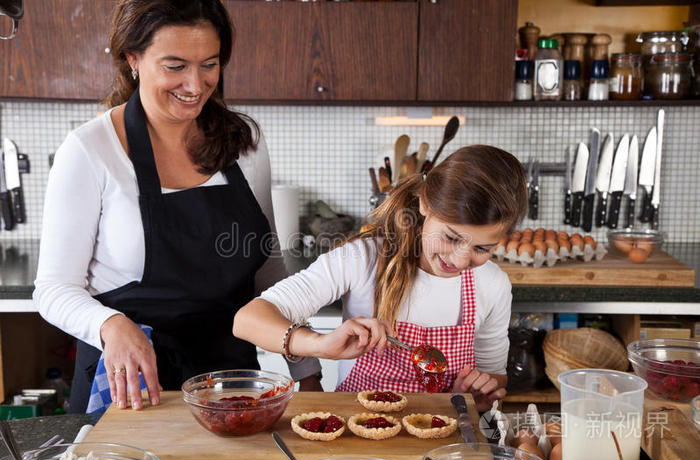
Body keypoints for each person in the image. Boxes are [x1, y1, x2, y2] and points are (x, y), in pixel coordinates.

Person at [34, 0, 320, 414]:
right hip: (128, 392)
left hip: (230, 389)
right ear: (133, 58)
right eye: (175, 66)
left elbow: (268, 272)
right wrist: (110, 325)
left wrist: (306, 371)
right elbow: (54, 289)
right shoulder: (90, 150)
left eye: (209, 64)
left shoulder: (244, 145)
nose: (195, 84)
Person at [234, 145, 528, 410]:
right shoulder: (362, 259)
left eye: (482, 248)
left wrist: (474, 394)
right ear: (425, 204)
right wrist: (319, 344)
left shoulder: (492, 283)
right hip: (359, 438)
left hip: (445, 439)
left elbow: (494, 375)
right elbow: (248, 320)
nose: (461, 260)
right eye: (451, 237)